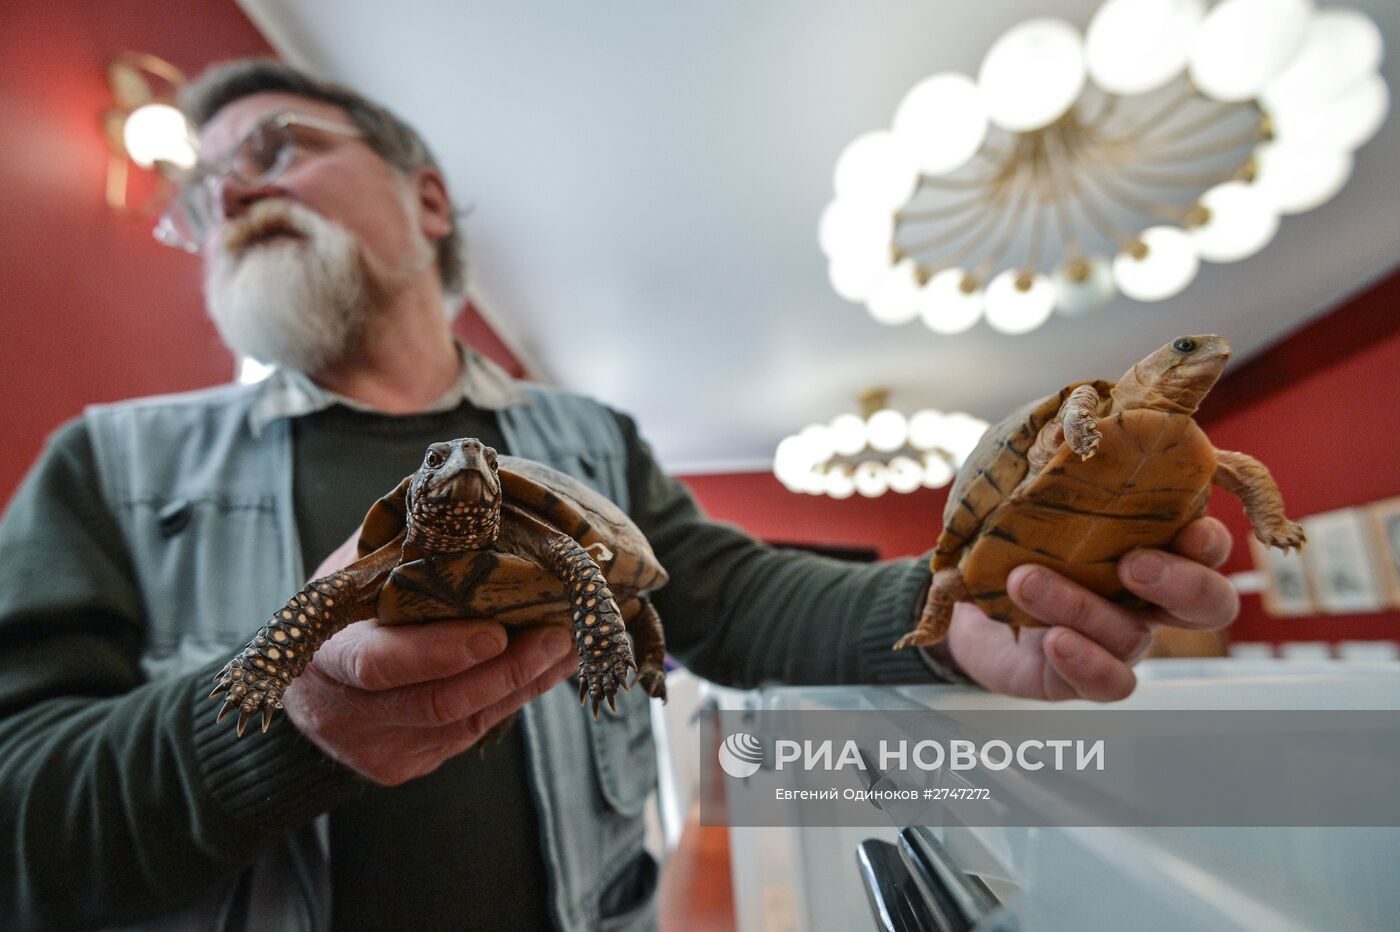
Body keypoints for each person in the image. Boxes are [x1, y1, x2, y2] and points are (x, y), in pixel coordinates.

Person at [0, 59, 1239, 931]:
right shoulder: (106, 465)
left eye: (278, 148)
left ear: (426, 198)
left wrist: (953, 600)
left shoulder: (584, 439)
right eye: (203, 188)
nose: (234, 193)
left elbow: (729, 597)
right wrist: (270, 718)